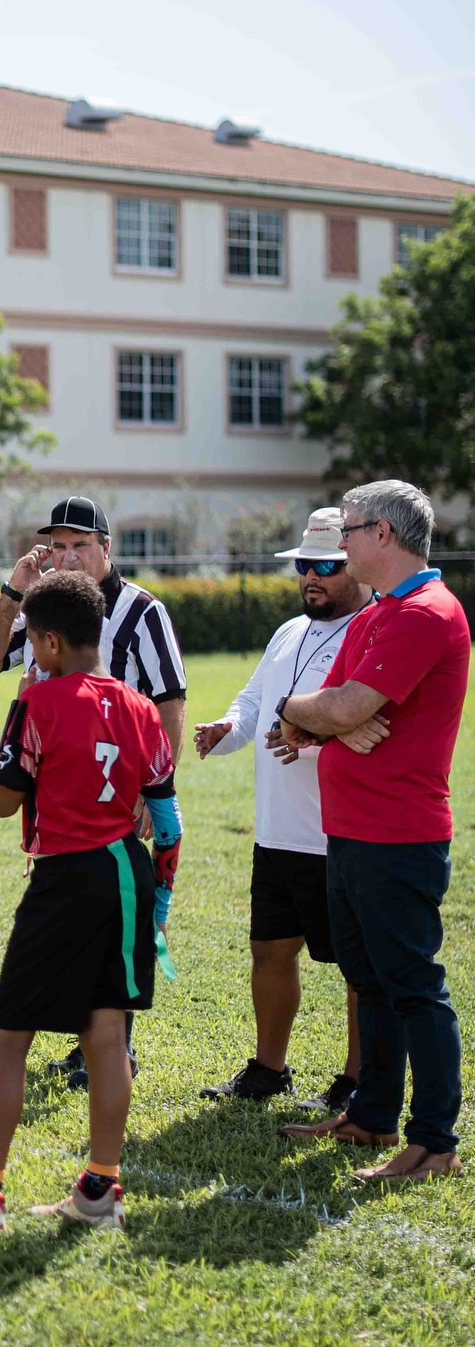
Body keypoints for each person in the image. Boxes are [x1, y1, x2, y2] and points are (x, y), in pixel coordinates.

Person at [0, 570, 182, 1236]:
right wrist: (159, 904)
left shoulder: (38, 702)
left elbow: (2, 800)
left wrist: (18, 715)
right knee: (107, 1033)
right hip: (127, 875)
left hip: (65, 877)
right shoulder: (141, 707)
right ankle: (100, 1189)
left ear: (47, 642)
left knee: (6, 1036)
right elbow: (168, 819)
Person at [278, 481, 468, 1182]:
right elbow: (313, 716)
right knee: (371, 981)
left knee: (413, 986)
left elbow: (341, 707)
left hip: (399, 834)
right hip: (351, 832)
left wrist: (323, 714)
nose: (340, 543)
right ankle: (372, 1115)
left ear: (382, 534)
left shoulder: (426, 612)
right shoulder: (376, 615)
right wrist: (318, 715)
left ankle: (435, 1143)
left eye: (349, 529)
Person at [0, 494, 186, 1086]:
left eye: (80, 546)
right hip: (58, 793)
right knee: (85, 914)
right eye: (58, 546)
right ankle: (90, 1042)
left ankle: (112, 1047)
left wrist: (154, 791)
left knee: (102, 911)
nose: (67, 557)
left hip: (119, 790)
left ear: (106, 548)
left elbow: (169, 701)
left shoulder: (142, 611)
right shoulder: (44, 604)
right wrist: (13, 593)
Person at [195, 509, 373, 1108]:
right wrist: (229, 728)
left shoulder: (374, 632)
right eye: (304, 565)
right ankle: (268, 1070)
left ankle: (356, 1084)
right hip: (276, 833)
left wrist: (314, 740)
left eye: (326, 566)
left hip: (337, 834)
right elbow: (254, 701)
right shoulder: (288, 631)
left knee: (357, 968)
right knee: (271, 950)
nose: (311, 578)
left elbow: (375, 730)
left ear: (357, 564)